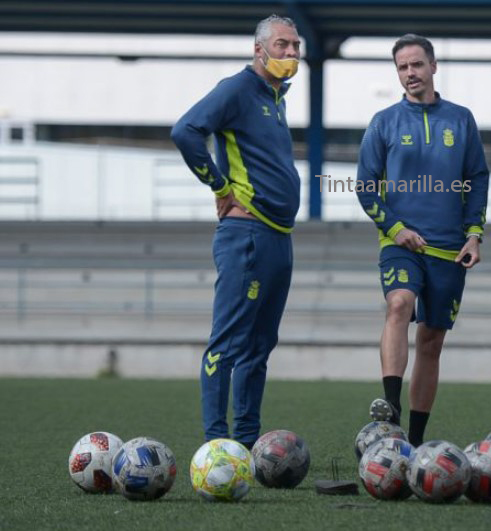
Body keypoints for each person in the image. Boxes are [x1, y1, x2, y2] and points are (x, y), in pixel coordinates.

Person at [170, 15, 302, 449]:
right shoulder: (238, 89)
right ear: (259, 50)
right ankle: (215, 443)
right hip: (247, 236)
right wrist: (219, 185)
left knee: (260, 346)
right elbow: (185, 130)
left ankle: (244, 443)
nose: (291, 53)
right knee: (227, 344)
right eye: (282, 45)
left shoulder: (275, 96)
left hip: (278, 238)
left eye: (296, 46)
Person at [356, 34, 490, 447]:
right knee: (399, 303)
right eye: (402, 67)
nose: (410, 73)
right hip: (401, 242)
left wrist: (474, 235)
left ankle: (411, 443)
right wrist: (395, 229)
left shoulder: (461, 119)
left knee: (430, 342)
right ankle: (390, 405)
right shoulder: (384, 122)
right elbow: (365, 186)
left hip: (450, 248)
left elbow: (478, 179)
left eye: (416, 65)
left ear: (433, 66)